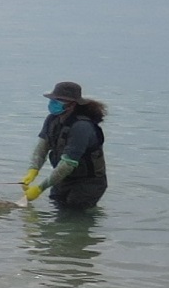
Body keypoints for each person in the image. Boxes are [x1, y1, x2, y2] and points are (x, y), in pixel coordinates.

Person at [21, 81, 107, 210]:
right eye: (54, 99)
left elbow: (68, 163)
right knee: (57, 207)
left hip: (88, 183)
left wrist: (40, 188)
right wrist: (33, 170)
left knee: (74, 214)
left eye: (59, 100)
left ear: (72, 104)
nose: (54, 103)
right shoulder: (52, 119)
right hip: (64, 179)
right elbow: (41, 148)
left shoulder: (81, 127)